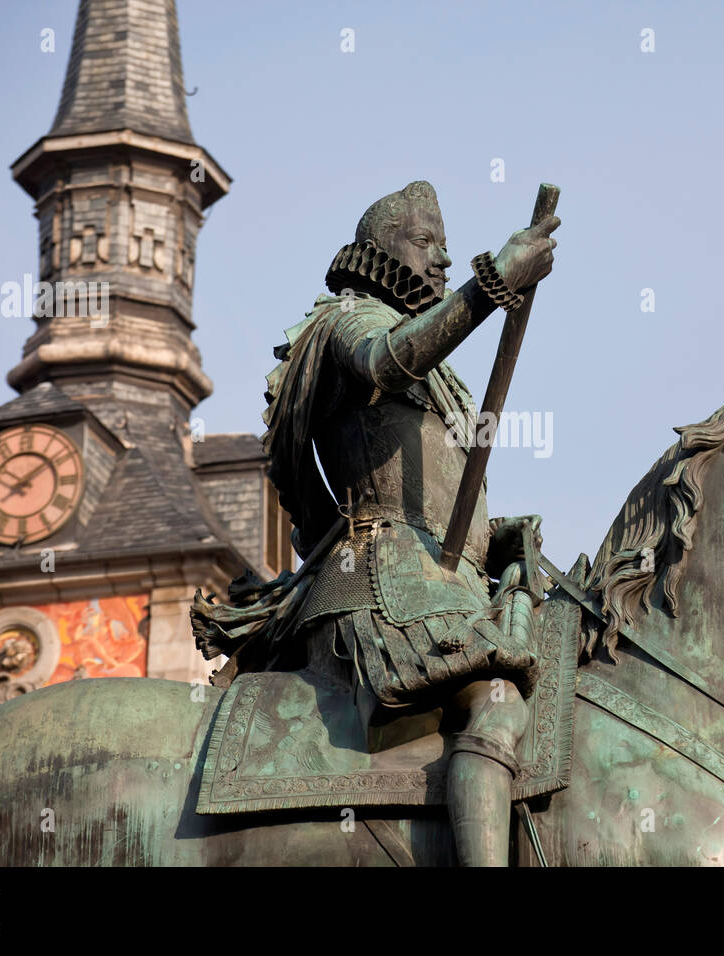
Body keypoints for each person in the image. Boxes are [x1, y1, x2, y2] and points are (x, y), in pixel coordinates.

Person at [246, 180, 559, 865]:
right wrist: (494, 281)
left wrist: (495, 537)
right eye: (425, 244)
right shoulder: (345, 321)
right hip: (385, 578)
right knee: (499, 704)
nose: (443, 260)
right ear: (374, 252)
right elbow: (387, 360)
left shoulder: (443, 376)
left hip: (445, 579)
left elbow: (445, 499)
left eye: (447, 249)